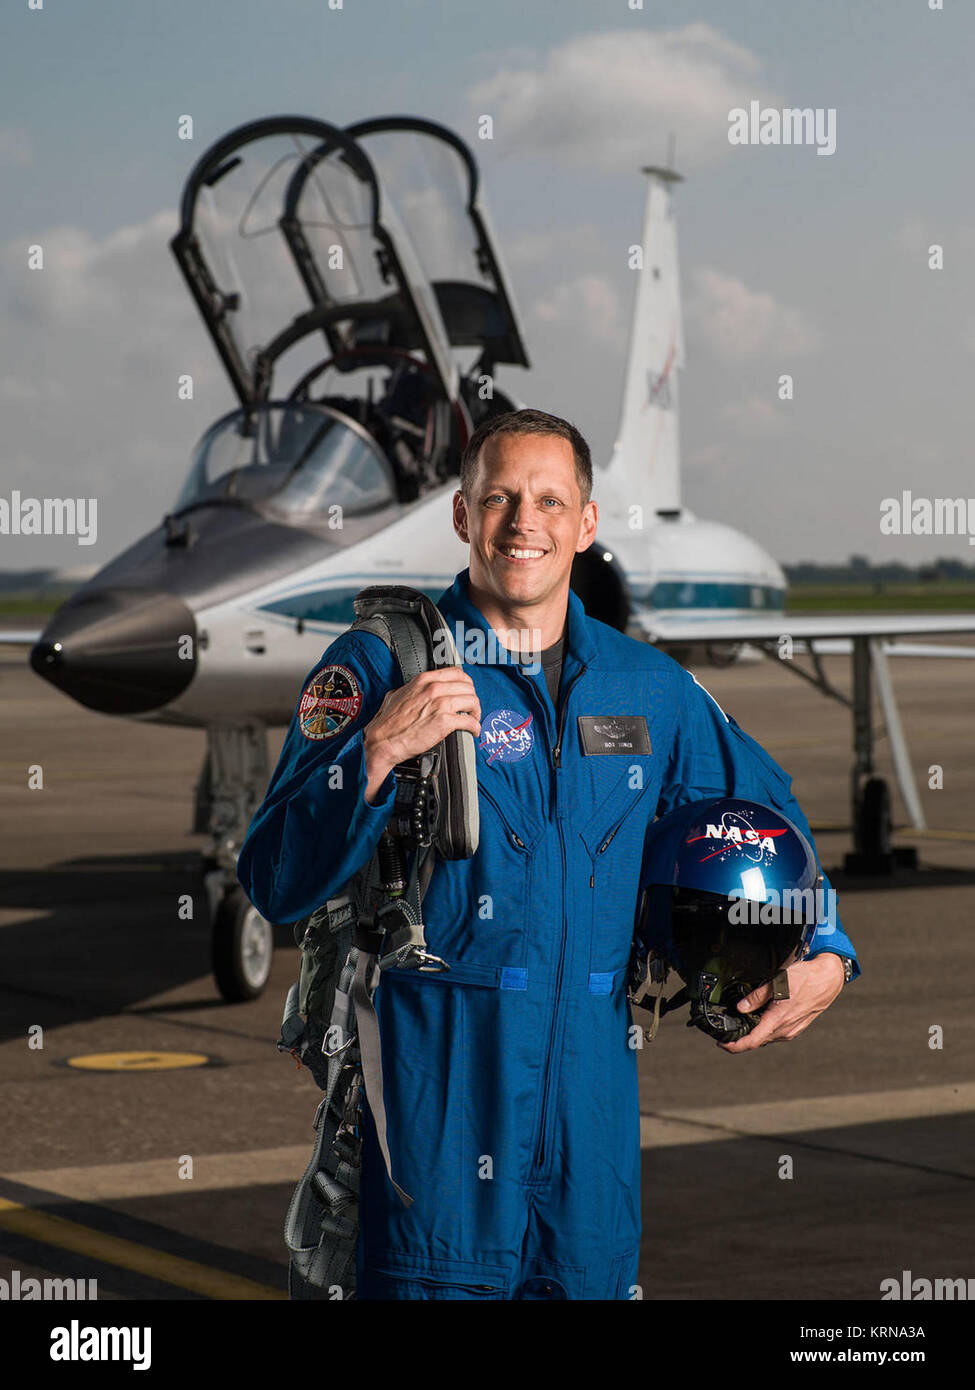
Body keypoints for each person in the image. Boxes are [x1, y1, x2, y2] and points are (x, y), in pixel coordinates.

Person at [236, 408, 859, 1300]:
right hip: (434, 1127)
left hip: (590, 1146)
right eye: (499, 499)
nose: (523, 523)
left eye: (548, 501)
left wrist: (827, 946)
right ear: (461, 516)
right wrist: (371, 753)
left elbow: (768, 820)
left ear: (586, 522)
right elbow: (273, 875)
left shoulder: (648, 688)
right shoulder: (382, 666)